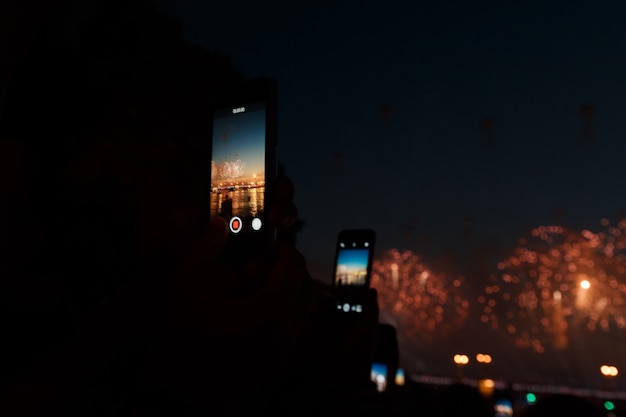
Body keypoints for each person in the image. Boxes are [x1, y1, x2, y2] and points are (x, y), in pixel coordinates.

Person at [0, 1, 386, 415]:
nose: (150, 171)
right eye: (142, 155)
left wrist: (161, 283)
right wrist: (191, 383)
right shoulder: (43, 293)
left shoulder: (87, 302)